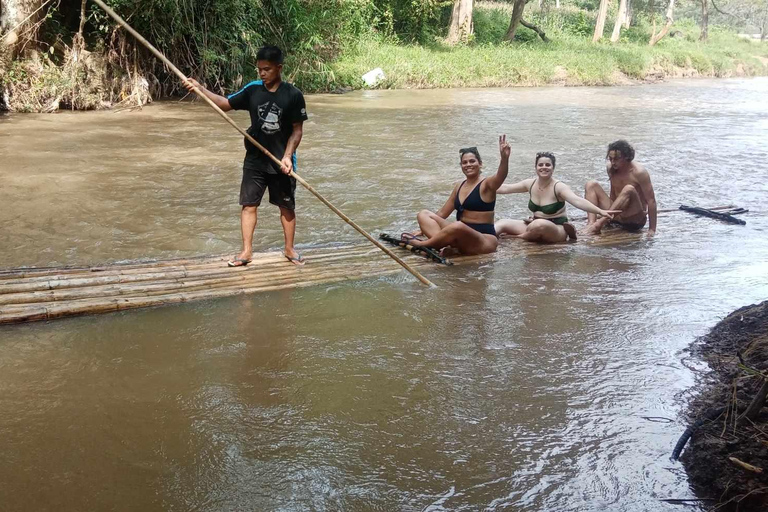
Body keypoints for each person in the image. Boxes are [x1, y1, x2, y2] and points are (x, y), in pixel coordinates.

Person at [183, 46, 308, 266]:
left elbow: (297, 130)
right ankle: (246, 252)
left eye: (267, 69)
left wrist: (288, 156)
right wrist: (200, 89)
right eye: (259, 69)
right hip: (255, 159)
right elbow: (224, 104)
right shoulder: (252, 90)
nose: (262, 74)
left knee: (286, 206)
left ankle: (289, 249)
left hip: (281, 161)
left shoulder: (293, 95)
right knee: (249, 205)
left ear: (279, 68)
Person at [403, 135, 512, 256]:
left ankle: (425, 244)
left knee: (458, 226)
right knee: (424, 214)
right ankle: (444, 246)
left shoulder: (486, 184)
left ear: (480, 164)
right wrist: (423, 229)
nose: (468, 165)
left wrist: (504, 159)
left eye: (472, 161)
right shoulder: (459, 186)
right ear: (461, 166)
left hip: (484, 240)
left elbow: (500, 176)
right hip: (459, 234)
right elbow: (442, 213)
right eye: (464, 162)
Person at [494, 152, 618, 243]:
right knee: (501, 223)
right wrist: (481, 186)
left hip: (556, 229)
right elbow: (505, 188)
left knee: (539, 224)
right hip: (532, 225)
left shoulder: (559, 187)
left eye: (548, 165)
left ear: (553, 168)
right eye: (540, 165)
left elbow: (577, 200)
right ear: (536, 167)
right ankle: (488, 238)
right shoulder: (529, 183)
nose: (544, 167)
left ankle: (518, 237)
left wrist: (600, 211)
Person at [582, 140, 657, 236]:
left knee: (628, 188)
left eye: (616, 159)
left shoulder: (639, 172)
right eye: (610, 159)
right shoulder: (611, 169)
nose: (613, 162)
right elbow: (613, 192)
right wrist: (608, 213)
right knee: (591, 184)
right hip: (616, 215)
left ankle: (598, 224)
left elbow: (651, 200)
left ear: (626, 157)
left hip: (634, 217)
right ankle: (591, 223)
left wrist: (652, 229)